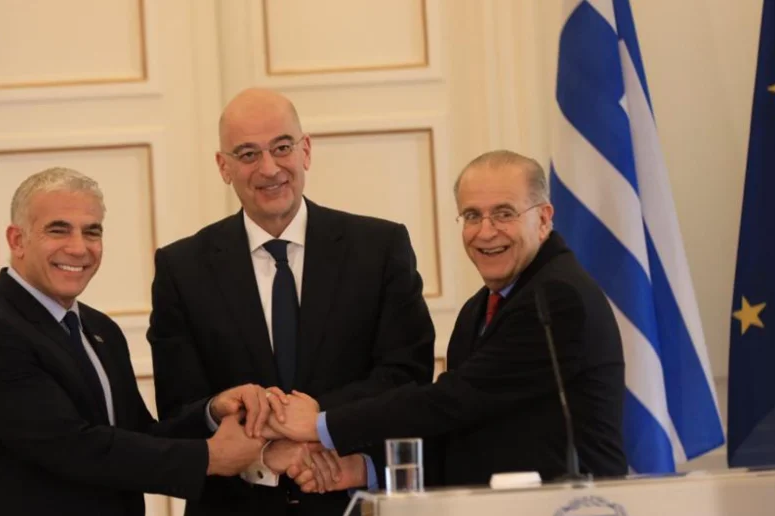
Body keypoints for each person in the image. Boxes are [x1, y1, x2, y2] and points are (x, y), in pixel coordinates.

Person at [0, 167, 291, 516]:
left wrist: (215, 412)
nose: (79, 247)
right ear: (17, 240)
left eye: (92, 231)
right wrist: (211, 456)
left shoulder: (98, 329)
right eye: (59, 230)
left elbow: (139, 434)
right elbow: (75, 447)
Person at [146, 88, 435, 516]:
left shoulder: (379, 248)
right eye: (247, 154)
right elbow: (178, 413)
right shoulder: (182, 268)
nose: (268, 168)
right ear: (223, 167)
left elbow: (407, 378)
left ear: (306, 150)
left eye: (282, 147)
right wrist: (255, 446)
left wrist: (319, 421)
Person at [269, 150, 628, 488]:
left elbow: (452, 401)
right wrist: (363, 470)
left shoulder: (556, 298)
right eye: (472, 215)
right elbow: (461, 426)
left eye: (504, 213)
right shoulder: (480, 308)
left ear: (544, 219)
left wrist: (321, 423)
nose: (485, 232)